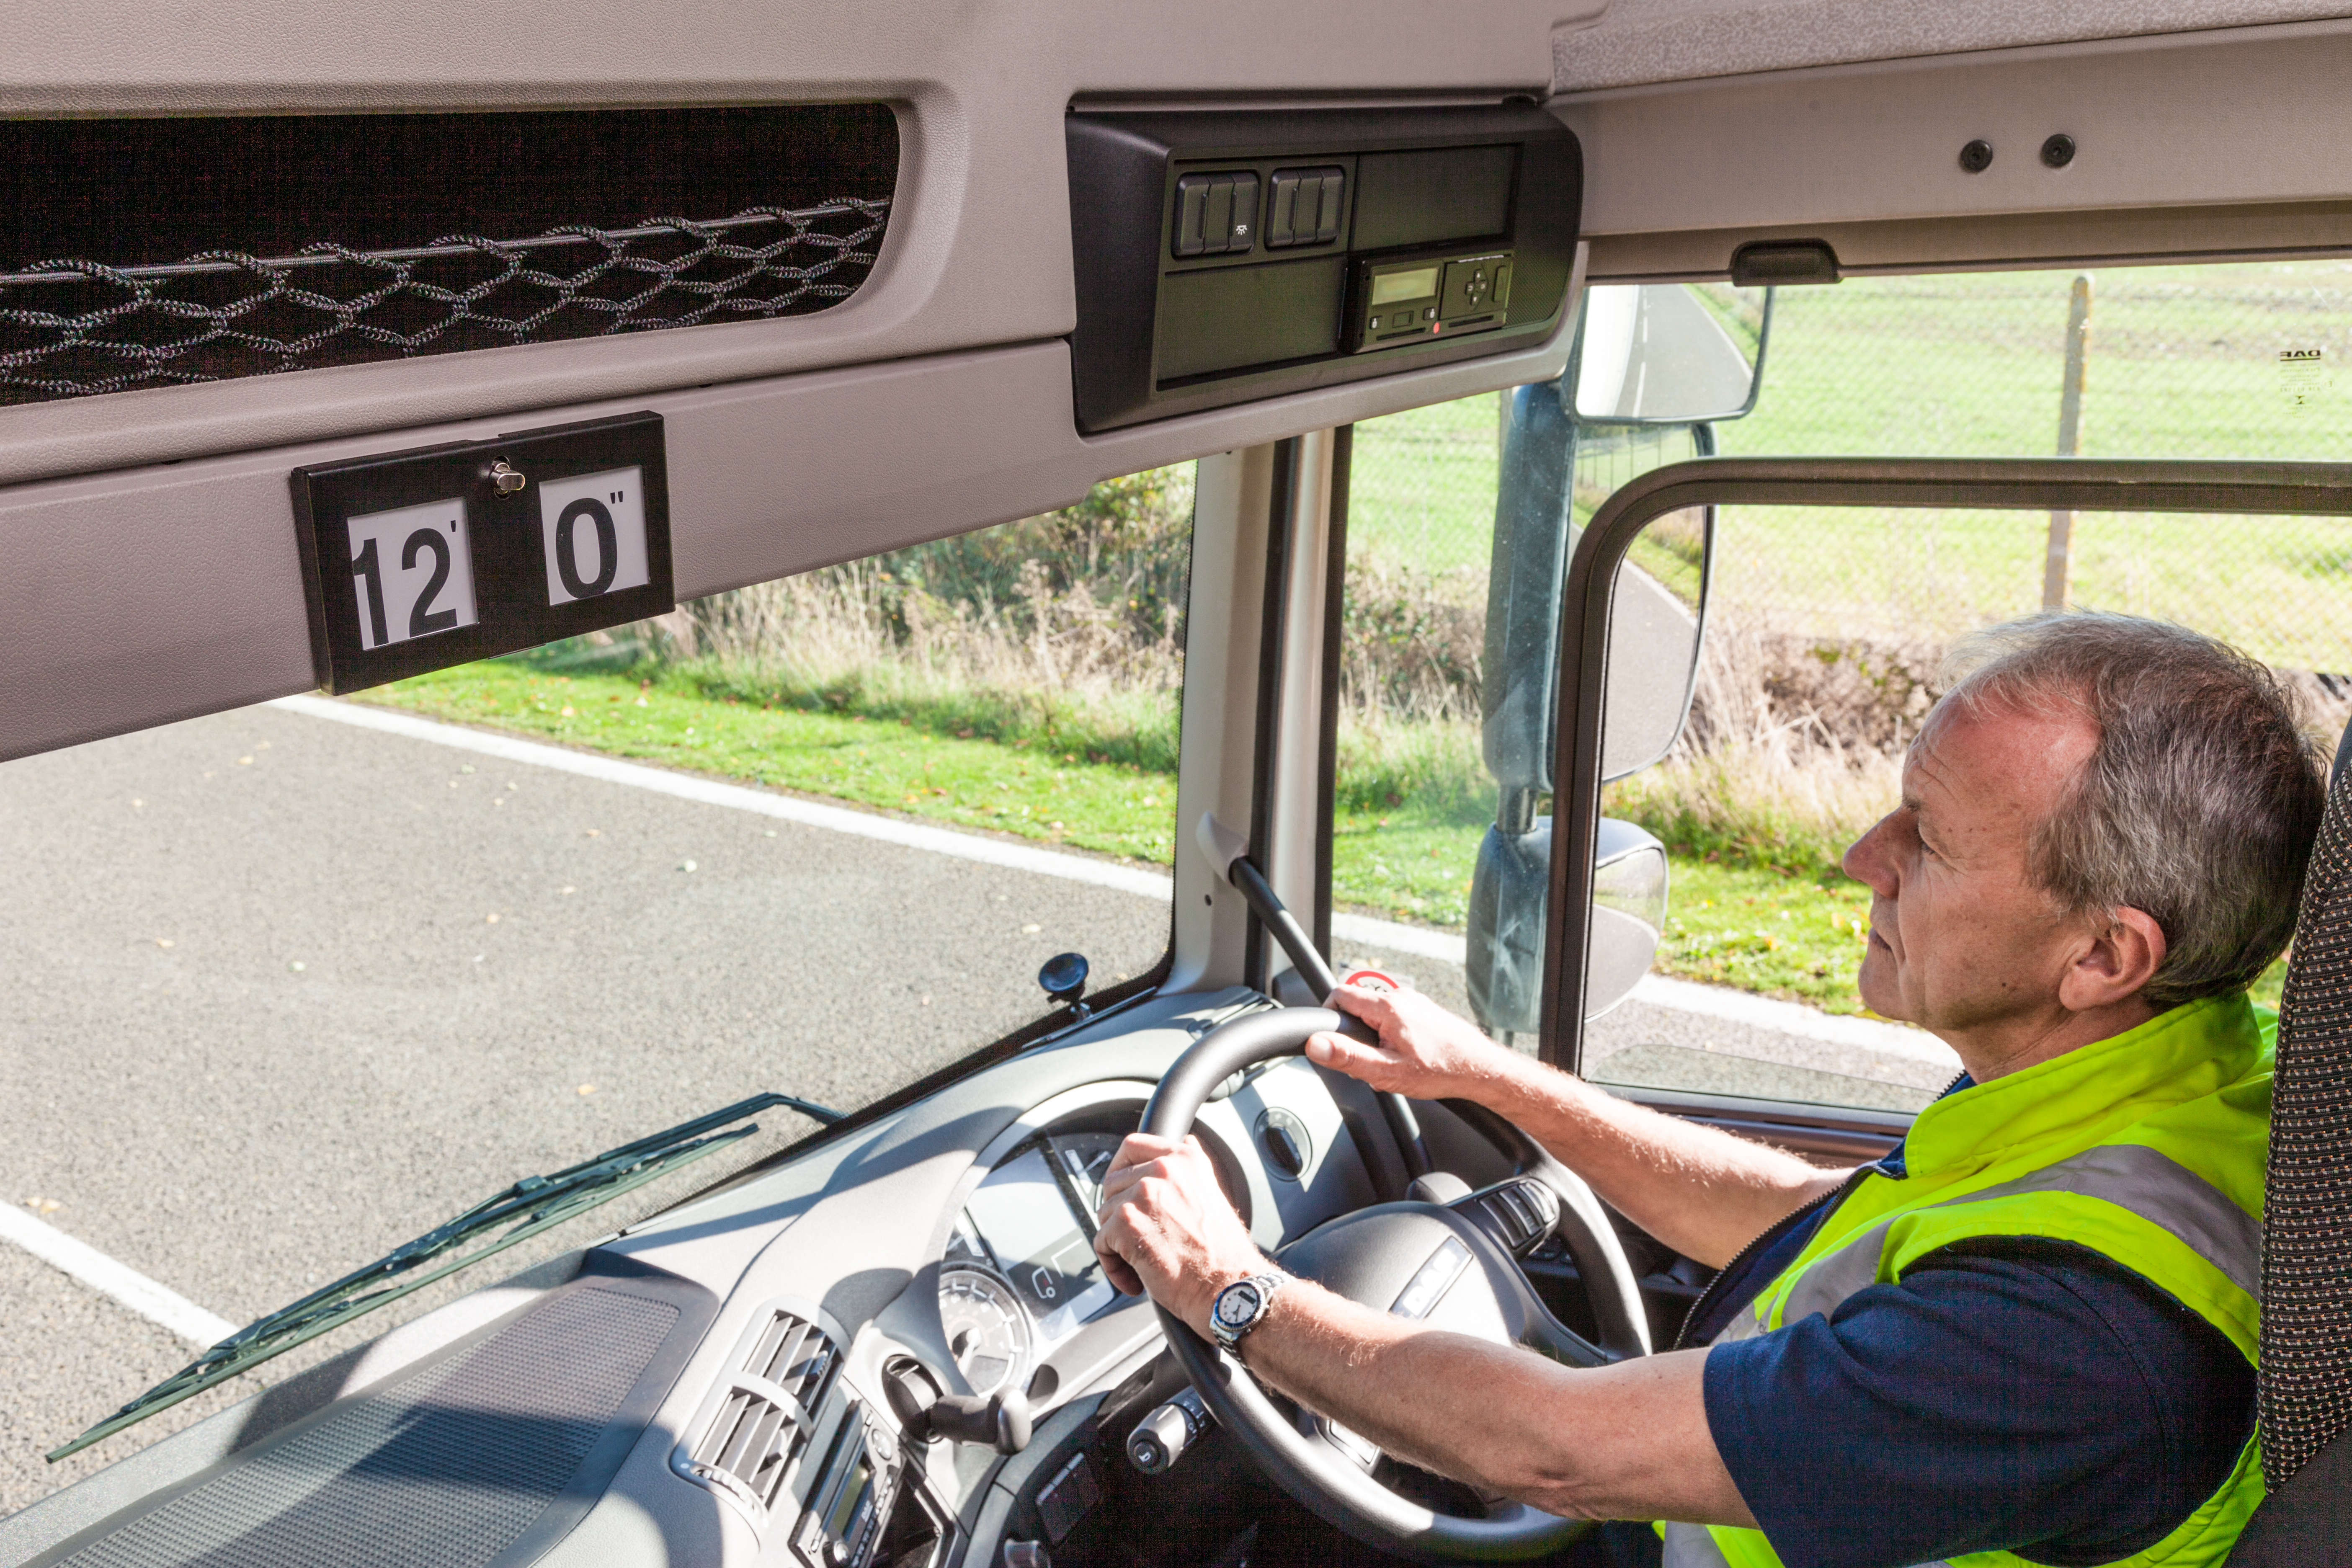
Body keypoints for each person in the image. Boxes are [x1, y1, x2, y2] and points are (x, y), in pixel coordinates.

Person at [1092, 613, 2328, 1568]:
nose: (1864, 859)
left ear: (2106, 956)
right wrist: (1487, 1077)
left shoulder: (2068, 1340)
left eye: (1930, 840)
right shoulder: (2176, 1087)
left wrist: (1225, 1285)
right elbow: (1821, 1216)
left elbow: (1558, 1449)